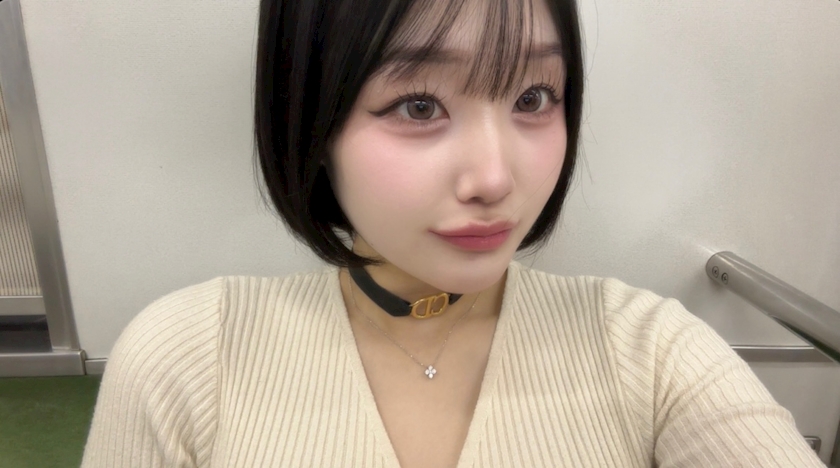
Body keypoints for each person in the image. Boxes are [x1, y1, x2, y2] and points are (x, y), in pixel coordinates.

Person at [81, 0, 826, 466]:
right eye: (418, 105)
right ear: (312, 120)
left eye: (534, 97)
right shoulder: (187, 359)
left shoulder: (653, 352)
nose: (495, 179)